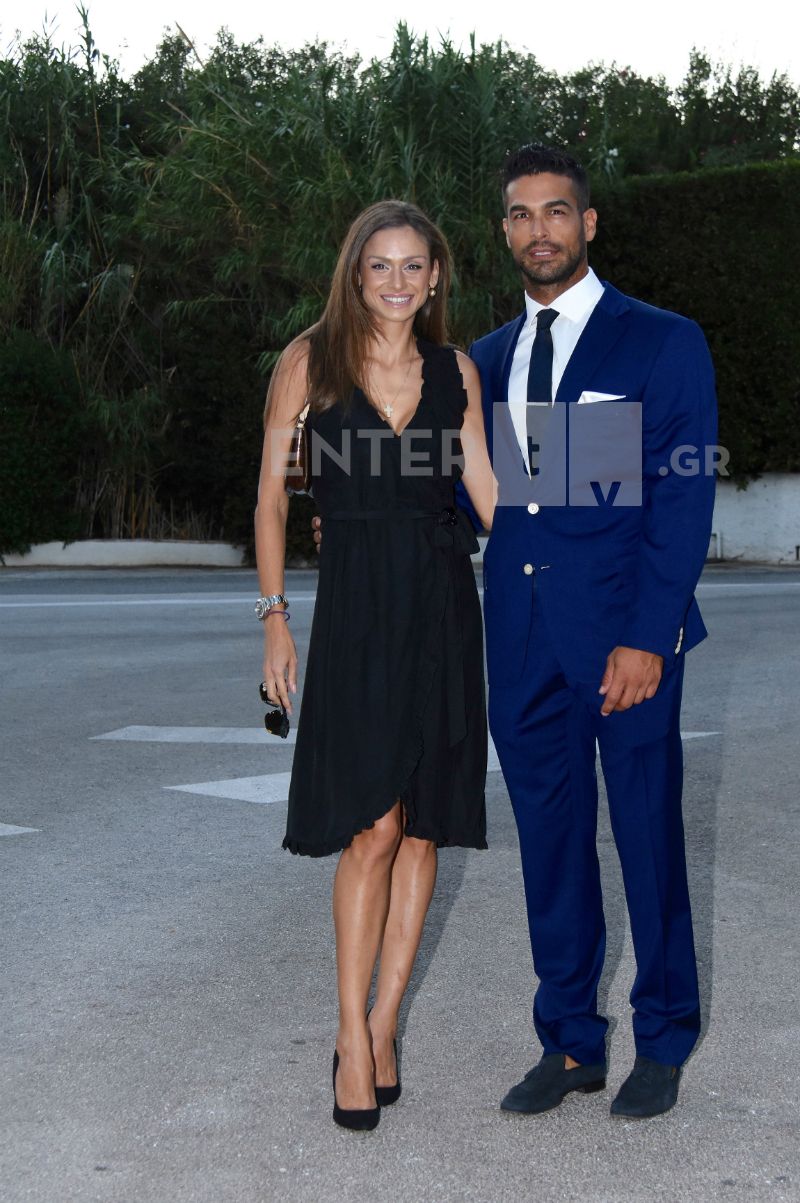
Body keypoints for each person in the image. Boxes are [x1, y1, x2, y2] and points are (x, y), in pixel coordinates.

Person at [466, 144, 718, 1119]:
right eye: (521, 214)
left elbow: (678, 503)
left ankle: (664, 1035)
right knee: (549, 849)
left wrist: (649, 636)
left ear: (588, 222)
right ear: (504, 230)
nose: (540, 230)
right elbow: (482, 498)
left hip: (625, 644)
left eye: (556, 211)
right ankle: (569, 1039)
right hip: (522, 645)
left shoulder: (658, 341)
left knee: (647, 839)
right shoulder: (485, 360)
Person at [254, 200, 496, 1131]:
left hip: (443, 605)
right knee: (374, 825)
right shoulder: (307, 361)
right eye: (380, 265)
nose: (397, 281)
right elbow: (272, 499)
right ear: (356, 273)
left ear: (435, 278)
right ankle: (348, 1037)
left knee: (423, 827)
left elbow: (492, 494)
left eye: (413, 266)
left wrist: (598, 529)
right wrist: (276, 620)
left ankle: (385, 1023)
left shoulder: (457, 372)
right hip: (356, 610)